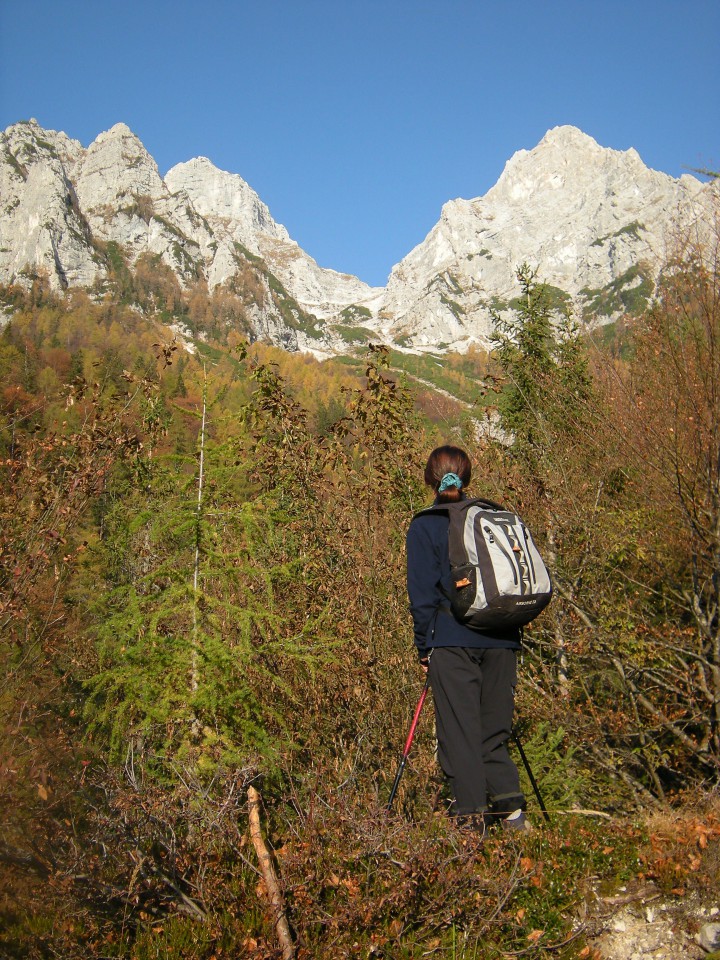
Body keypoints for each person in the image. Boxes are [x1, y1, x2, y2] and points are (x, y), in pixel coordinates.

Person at [405, 445, 530, 832]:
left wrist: (425, 648)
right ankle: (514, 819)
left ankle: (470, 829)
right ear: (468, 476)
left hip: (452, 642)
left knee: (459, 734)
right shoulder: (495, 516)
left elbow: (422, 597)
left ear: (430, 478)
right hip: (503, 638)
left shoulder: (425, 525)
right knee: (494, 733)